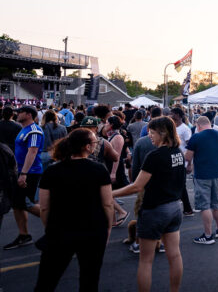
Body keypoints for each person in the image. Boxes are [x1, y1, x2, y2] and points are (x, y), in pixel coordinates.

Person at [34, 128, 113, 292]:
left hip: (59, 231)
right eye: (94, 142)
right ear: (87, 147)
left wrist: (48, 228)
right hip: (93, 231)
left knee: (46, 281)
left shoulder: (52, 171)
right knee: (89, 280)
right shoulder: (99, 170)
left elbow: (44, 207)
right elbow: (107, 204)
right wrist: (108, 227)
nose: (96, 145)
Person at [113, 117, 185, 292]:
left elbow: (137, 186)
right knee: (174, 255)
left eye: (152, 133)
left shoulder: (154, 156)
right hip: (175, 207)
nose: (149, 136)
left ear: (162, 133)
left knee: (145, 260)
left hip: (155, 209)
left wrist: (110, 193)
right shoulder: (178, 152)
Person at [3, 106, 43, 250]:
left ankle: (57, 224)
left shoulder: (34, 130)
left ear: (28, 114)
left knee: (26, 203)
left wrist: (24, 174)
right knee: (18, 204)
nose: (16, 114)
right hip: (20, 171)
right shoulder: (23, 129)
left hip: (30, 172)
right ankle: (24, 235)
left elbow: (32, 152)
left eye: (19, 112)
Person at [185, 115, 218, 244]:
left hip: (202, 174)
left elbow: (188, 157)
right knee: (217, 203)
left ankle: (208, 235)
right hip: (217, 173)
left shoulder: (197, 137)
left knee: (205, 206)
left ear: (198, 126)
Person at [169, 107, 194, 216]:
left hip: (183, 161)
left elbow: (191, 147)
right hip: (173, 159)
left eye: (173, 113)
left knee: (181, 185)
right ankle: (177, 206)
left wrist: (189, 164)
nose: (171, 115)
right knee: (175, 184)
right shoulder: (172, 128)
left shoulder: (185, 129)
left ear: (178, 115)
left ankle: (188, 209)